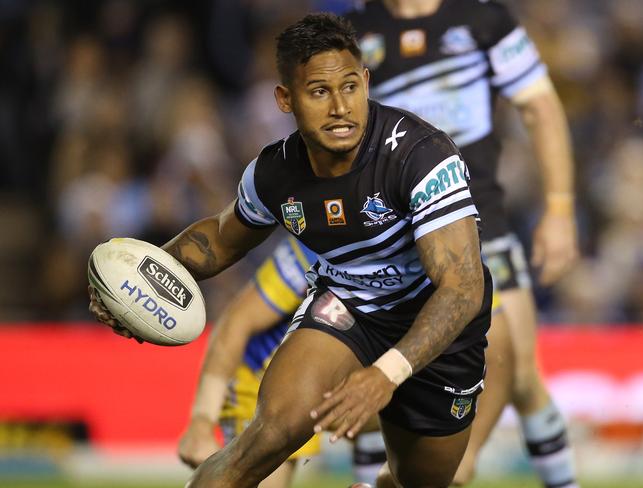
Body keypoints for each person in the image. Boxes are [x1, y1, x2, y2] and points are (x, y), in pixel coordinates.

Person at [90, 13, 494, 487]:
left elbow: (462, 288)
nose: (341, 107)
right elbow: (219, 241)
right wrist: (135, 279)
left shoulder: (422, 155)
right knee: (267, 436)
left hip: (441, 327)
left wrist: (385, 374)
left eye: (349, 86)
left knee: (422, 483)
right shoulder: (274, 175)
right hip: (349, 310)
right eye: (319, 92)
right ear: (286, 98)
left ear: (365, 81)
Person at [344, 1, 579, 487]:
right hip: (395, 239)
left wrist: (558, 208)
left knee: (516, 371)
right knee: (384, 375)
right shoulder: (356, 32)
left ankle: (459, 472)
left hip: (482, 225)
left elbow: (539, 104)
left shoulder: (483, 20)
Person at [177, 235, 387, 487]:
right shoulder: (316, 247)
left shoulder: (423, 251)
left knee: (408, 414)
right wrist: (202, 420)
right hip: (265, 382)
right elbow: (237, 321)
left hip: (333, 379)